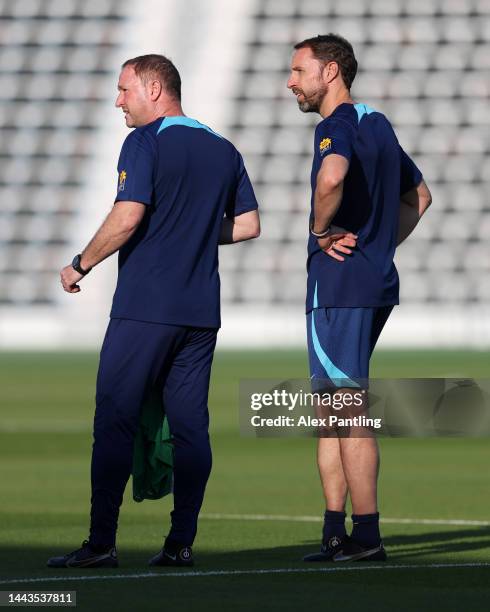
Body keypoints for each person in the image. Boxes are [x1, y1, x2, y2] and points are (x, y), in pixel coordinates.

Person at [48, 54, 260, 569]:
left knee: (115, 422)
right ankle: (180, 543)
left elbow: (128, 215)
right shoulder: (222, 148)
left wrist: (81, 264)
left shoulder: (145, 141)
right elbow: (249, 224)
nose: (118, 99)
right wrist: (191, 231)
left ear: (155, 87)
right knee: (190, 430)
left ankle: (101, 544)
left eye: (124, 89)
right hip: (200, 315)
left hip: (145, 309)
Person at [287, 34, 431, 562]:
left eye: (298, 71)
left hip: (339, 287)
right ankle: (334, 532)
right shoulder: (377, 122)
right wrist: (378, 248)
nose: (291, 82)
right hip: (370, 283)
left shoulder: (337, 125)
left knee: (347, 412)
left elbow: (332, 177)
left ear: (329, 72)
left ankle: (366, 535)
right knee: (332, 411)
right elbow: (420, 196)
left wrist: (320, 229)